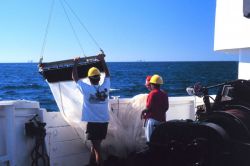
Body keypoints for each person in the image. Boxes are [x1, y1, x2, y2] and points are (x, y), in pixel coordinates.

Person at [72, 54, 110, 166]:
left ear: (89, 78)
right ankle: (90, 164)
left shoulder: (87, 89)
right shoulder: (105, 86)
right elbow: (108, 74)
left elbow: (75, 78)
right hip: (104, 122)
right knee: (95, 146)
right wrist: (102, 60)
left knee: (97, 150)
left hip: (93, 124)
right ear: (99, 77)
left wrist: (75, 63)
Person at [141, 74, 169, 143]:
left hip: (152, 121)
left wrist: (143, 112)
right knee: (159, 141)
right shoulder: (164, 93)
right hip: (162, 121)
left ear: (153, 84)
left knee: (150, 141)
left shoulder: (152, 94)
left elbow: (148, 107)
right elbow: (166, 108)